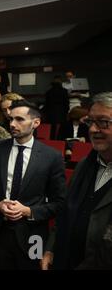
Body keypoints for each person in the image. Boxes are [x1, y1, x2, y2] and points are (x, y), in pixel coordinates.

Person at [0, 100, 66, 269]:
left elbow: (60, 202)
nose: (12, 124)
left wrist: (29, 211)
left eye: (19, 119)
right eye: (11, 119)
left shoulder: (51, 157)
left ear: (36, 123)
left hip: (34, 235)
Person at [42, 92, 112, 270]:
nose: (93, 130)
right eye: (90, 122)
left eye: (103, 122)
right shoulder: (83, 166)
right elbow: (64, 211)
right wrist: (51, 248)